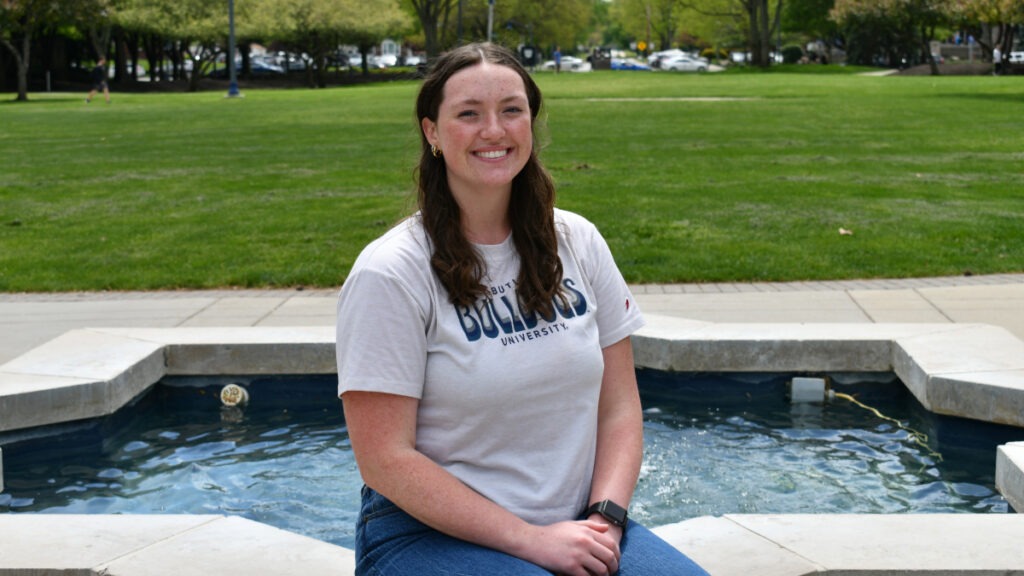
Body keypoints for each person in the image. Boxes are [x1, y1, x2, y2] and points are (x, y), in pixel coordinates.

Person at [335, 42, 709, 576]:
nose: (495, 130)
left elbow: (620, 407)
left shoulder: (575, 240)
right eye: (469, 114)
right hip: (425, 534)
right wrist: (531, 541)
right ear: (432, 133)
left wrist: (604, 520)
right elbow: (385, 461)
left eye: (512, 110)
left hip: (576, 521)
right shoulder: (390, 272)